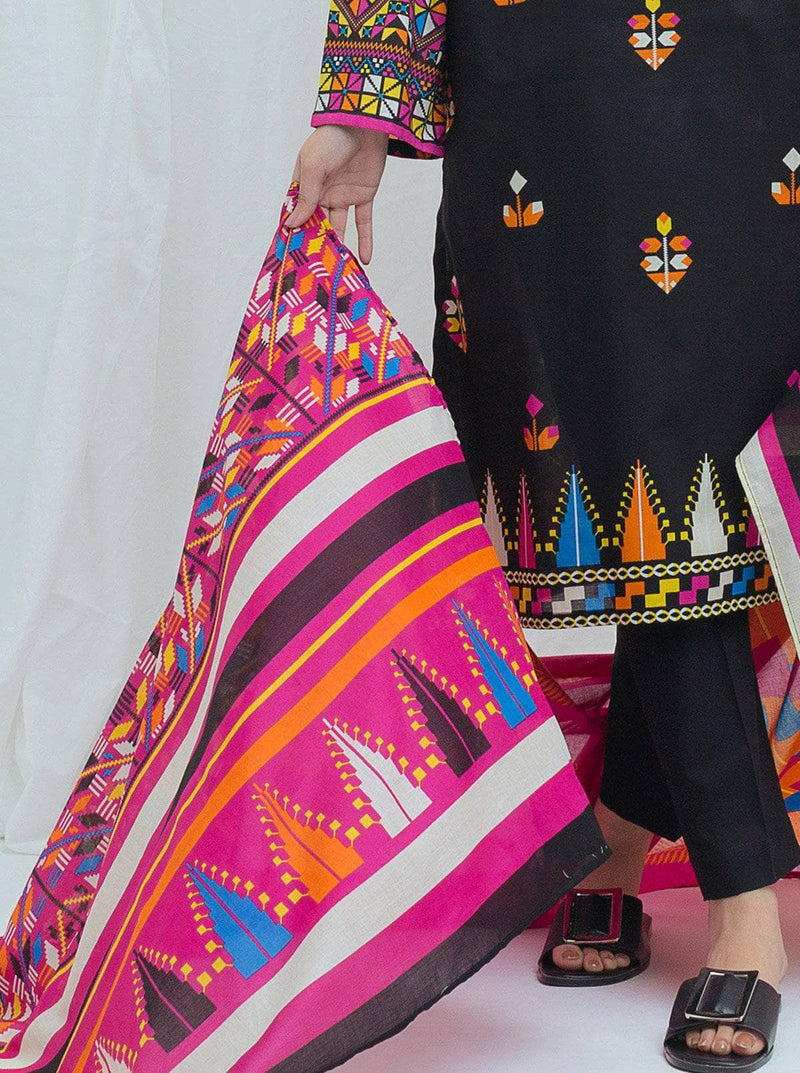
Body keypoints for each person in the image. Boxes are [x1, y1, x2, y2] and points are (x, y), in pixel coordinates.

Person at [287, 1, 800, 1068]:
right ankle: (728, 885)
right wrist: (361, 106)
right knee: (622, 438)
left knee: (705, 451)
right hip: (548, 67)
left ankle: (634, 833)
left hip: (758, 57)